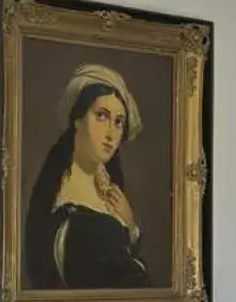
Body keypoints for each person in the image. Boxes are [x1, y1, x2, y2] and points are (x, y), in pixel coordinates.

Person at [23, 63, 153, 290]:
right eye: (101, 116)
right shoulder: (64, 200)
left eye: (119, 122)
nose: (111, 134)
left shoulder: (109, 184)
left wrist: (131, 225)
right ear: (77, 119)